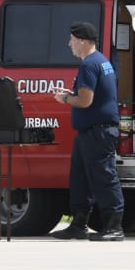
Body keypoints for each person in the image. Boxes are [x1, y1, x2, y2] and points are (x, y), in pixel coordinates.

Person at [50, 21, 126, 241]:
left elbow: (85, 101)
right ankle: (79, 224)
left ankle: (114, 227)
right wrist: (72, 92)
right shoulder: (102, 62)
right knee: (80, 179)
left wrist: (64, 98)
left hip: (97, 132)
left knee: (104, 178)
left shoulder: (89, 65)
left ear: (83, 41)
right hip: (91, 132)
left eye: (72, 40)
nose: (69, 44)